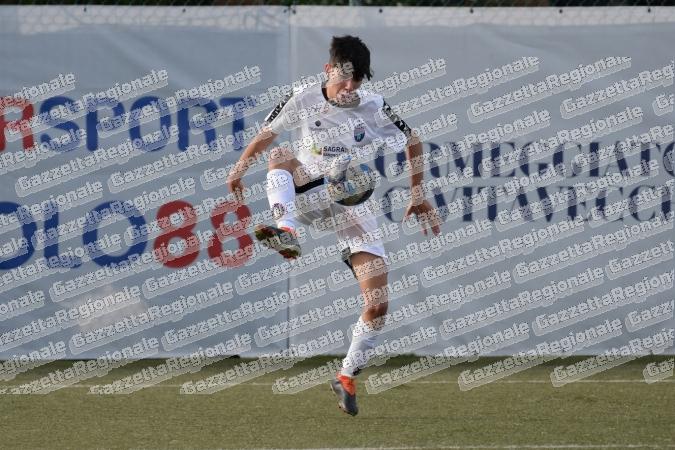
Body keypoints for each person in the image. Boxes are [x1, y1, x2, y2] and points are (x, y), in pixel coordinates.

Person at [226, 35, 440, 416]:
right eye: (344, 77)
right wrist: (238, 170)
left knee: (378, 304)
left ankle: (346, 377)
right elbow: (266, 135)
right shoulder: (304, 97)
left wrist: (418, 193)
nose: (350, 86)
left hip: (350, 203)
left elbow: (413, 140)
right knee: (281, 154)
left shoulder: (372, 106)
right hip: (309, 192)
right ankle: (286, 231)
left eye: (357, 80)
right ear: (328, 70)